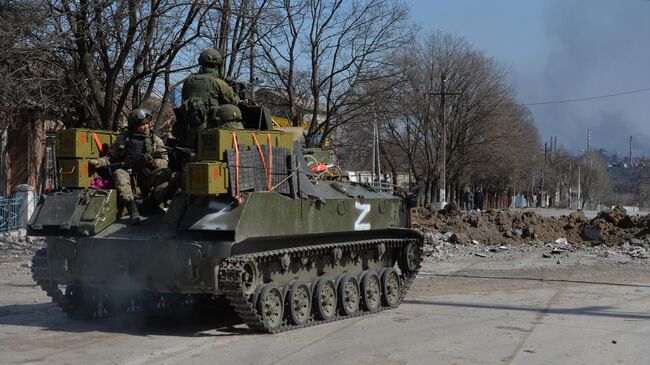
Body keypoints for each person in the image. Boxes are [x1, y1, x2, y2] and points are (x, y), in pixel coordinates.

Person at [89, 108, 172, 224]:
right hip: (129, 176)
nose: (147, 127)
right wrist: (98, 162)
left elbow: (164, 161)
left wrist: (152, 161)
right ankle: (133, 210)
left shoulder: (154, 140)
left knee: (166, 172)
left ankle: (149, 205)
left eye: (148, 124)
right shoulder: (124, 138)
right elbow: (110, 158)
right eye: (143, 125)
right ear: (134, 125)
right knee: (119, 173)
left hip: (147, 178)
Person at [173, 48, 241, 148]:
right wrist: (236, 92)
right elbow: (233, 101)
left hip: (189, 133)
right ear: (217, 65)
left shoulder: (189, 81)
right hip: (210, 134)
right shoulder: (218, 82)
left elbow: (184, 97)